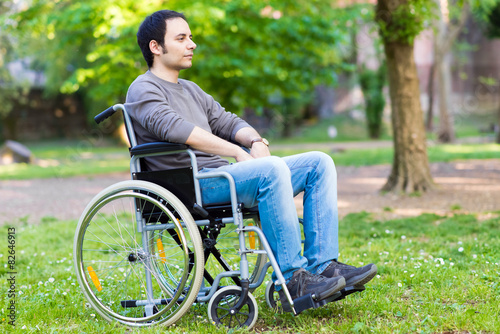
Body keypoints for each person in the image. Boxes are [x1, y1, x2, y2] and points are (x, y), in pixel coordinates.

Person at [125, 9, 377, 304]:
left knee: (318, 163)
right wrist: (235, 151)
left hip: (225, 176)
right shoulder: (142, 89)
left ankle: (323, 266)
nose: (192, 44)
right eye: (181, 38)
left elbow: (228, 121)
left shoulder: (191, 90)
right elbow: (176, 129)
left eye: (190, 37)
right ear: (156, 47)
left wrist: (254, 140)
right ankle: (292, 280)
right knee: (270, 171)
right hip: (192, 186)